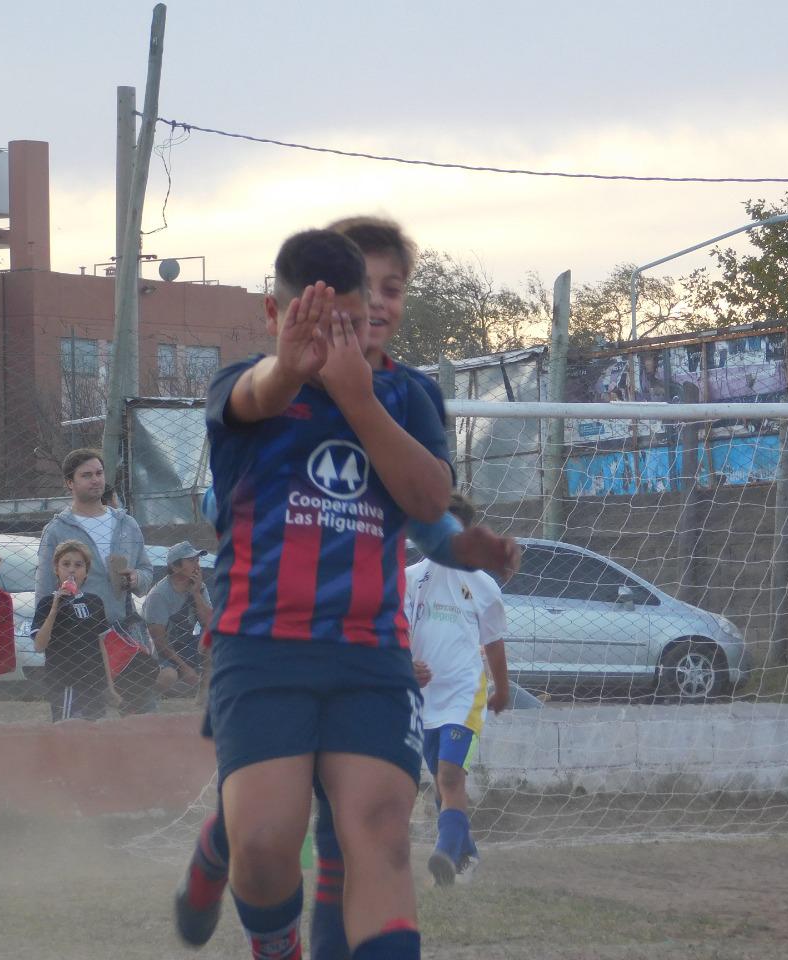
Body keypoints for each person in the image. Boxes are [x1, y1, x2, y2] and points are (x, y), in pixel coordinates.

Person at [176, 217, 520, 960]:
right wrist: (294, 368)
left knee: (378, 836)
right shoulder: (241, 383)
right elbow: (257, 399)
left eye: (384, 292)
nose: (366, 313)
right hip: (263, 648)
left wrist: (466, 544)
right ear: (282, 312)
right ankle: (244, 885)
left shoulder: (406, 396)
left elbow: (428, 508)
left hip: (369, 654)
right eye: (325, 308)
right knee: (266, 839)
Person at [406, 492, 511, 886]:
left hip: (464, 695)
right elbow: (392, 633)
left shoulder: (484, 585)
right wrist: (403, 665)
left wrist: (502, 689)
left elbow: (495, 642)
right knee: (440, 783)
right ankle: (467, 854)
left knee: (450, 778)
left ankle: (445, 859)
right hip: (422, 701)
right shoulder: (410, 579)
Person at [36, 449, 155, 711]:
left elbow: (147, 572)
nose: (95, 480)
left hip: (124, 632)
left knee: (141, 713)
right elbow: (45, 588)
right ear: (70, 482)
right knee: (84, 721)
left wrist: (136, 578)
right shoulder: (57, 530)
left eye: (99, 473)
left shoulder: (127, 524)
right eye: (86, 475)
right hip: (81, 641)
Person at [32, 540, 116, 721]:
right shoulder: (47, 603)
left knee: (95, 733)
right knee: (69, 733)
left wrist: (110, 685)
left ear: (86, 572)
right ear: (56, 569)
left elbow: (102, 646)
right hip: (64, 683)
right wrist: (55, 607)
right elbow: (39, 645)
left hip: (94, 682)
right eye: (66, 564)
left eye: (78, 565)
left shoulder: (95, 602)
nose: (71, 570)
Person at [142, 541, 212, 696]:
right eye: (191, 560)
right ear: (175, 567)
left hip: (185, 644)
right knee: (169, 676)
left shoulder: (199, 587)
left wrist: (196, 593)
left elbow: (210, 624)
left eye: (197, 560)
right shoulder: (159, 595)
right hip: (161, 653)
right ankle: (151, 696)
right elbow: (159, 642)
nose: (197, 565)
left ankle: (203, 694)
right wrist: (184, 668)